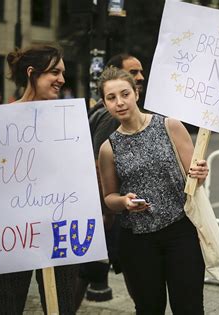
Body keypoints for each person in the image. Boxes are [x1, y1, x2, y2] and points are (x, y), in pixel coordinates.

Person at [98, 66, 208, 314]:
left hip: (181, 231)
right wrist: (124, 202)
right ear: (105, 103)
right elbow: (109, 198)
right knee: (148, 308)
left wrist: (201, 172)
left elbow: (194, 176)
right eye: (111, 98)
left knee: (189, 307)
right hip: (137, 241)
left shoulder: (170, 126)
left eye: (124, 94)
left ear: (136, 93)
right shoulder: (108, 148)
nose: (120, 102)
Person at [0, 44, 78, 314]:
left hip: (59, 229)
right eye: (55, 72)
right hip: (14, 233)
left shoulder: (67, 123)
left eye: (63, 73)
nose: (62, 79)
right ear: (31, 73)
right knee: (6, 305)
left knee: (61, 306)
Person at [75, 53, 145, 308]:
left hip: (114, 209)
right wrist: (106, 211)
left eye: (140, 72)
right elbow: (98, 162)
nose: (140, 77)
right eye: (134, 72)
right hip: (113, 212)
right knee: (128, 269)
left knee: (89, 269)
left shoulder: (107, 112)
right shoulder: (111, 118)